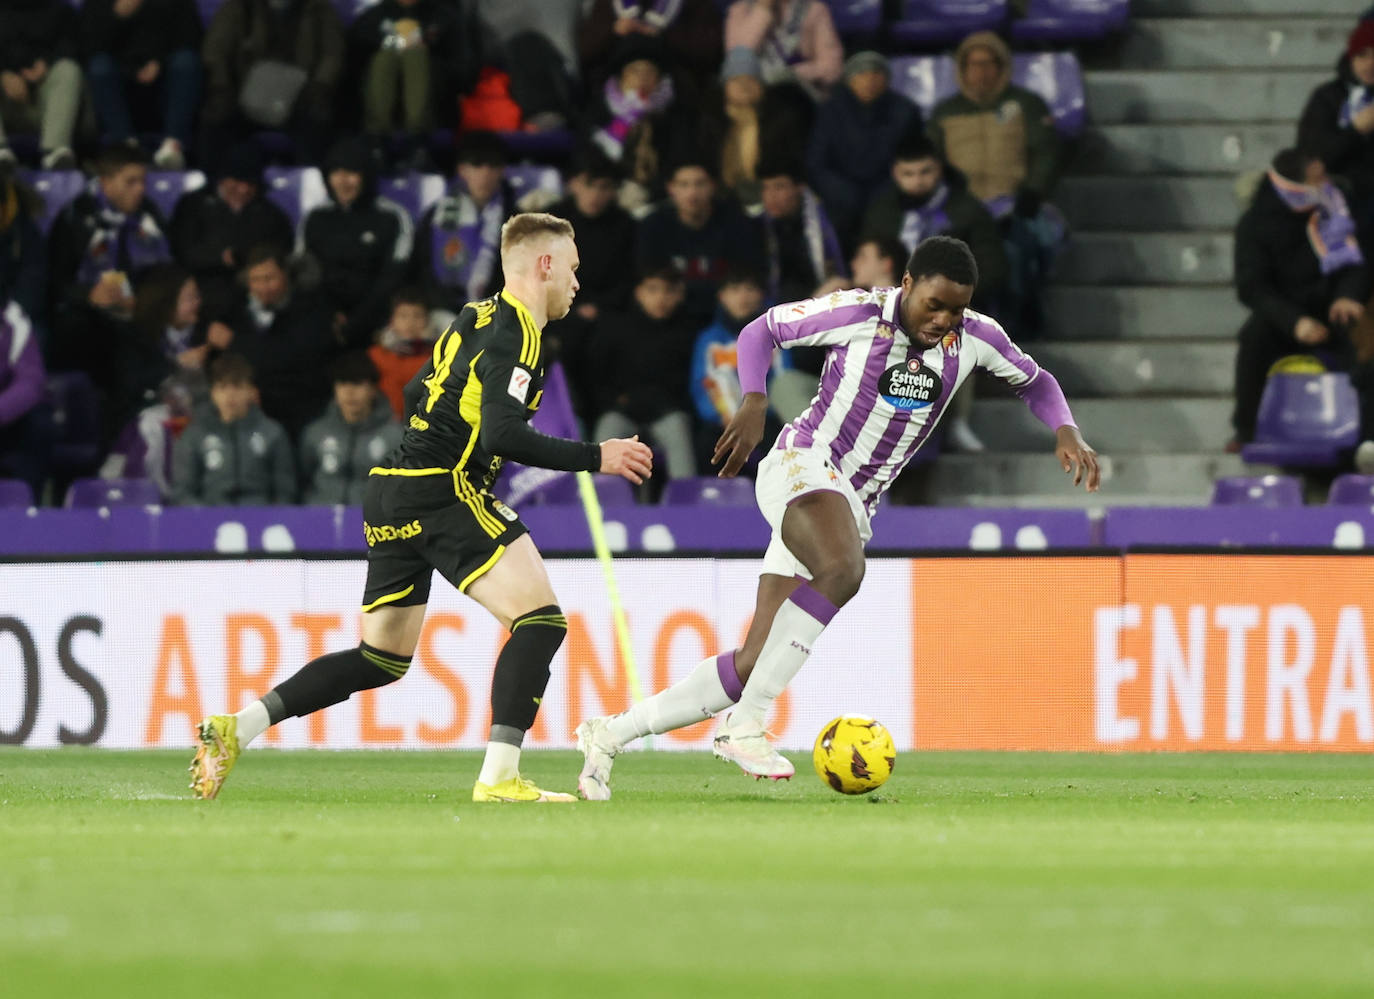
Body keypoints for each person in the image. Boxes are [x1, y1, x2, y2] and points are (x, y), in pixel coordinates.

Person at [574, 236, 1100, 799]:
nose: (944, 319)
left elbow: (1036, 379)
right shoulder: (857, 312)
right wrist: (754, 401)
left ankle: (608, 736)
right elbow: (760, 331)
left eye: (956, 309)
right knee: (845, 569)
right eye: (934, 304)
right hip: (803, 464)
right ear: (907, 285)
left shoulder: (975, 337)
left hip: (853, 501)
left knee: (754, 659)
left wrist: (1065, 428)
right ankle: (745, 724)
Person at [189, 212, 654, 803]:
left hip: (392, 488)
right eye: (573, 269)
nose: (577, 282)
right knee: (539, 622)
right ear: (545, 265)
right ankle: (499, 777)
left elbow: (416, 393)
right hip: (443, 488)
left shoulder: (474, 316)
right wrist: (599, 456)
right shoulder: (520, 334)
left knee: (380, 658)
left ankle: (238, 727)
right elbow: (503, 436)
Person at [1230, 148, 1369, 448]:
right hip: (1285, 316)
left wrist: (1348, 295)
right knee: (1254, 338)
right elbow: (1252, 286)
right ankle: (1247, 430)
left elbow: (1357, 262)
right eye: (1317, 179)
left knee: (1365, 342)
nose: (1326, 184)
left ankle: (1364, 436)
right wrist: (1294, 322)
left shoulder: (1338, 210)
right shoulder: (1255, 224)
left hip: (1334, 309)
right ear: (1295, 186)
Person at [929, 31, 1061, 338]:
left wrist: (1034, 191)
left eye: (989, 63)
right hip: (963, 208)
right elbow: (931, 160)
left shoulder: (1026, 104)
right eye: (974, 64)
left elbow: (1047, 152)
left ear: (1002, 67)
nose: (982, 71)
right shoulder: (945, 112)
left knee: (1020, 250)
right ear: (962, 69)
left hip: (1014, 204)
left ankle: (1020, 318)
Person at [46, 145, 173, 403]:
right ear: (106, 182)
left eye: (142, 181)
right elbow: (53, 279)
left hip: (140, 312)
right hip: (90, 319)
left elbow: (168, 274)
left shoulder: (149, 215)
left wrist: (142, 299)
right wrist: (89, 295)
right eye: (131, 182)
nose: (140, 189)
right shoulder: (75, 217)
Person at [300, 136, 414, 350]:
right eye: (335, 173)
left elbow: (392, 277)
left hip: (376, 325)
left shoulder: (392, 217)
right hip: (324, 323)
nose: (342, 181)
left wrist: (356, 322)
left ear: (366, 176)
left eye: (351, 172)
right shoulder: (315, 218)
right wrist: (330, 317)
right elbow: (305, 274)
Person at [199, 0, 345, 167]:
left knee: (318, 118)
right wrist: (222, 85)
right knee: (217, 117)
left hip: (301, 94)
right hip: (243, 92)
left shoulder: (319, 8)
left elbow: (333, 55)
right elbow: (215, 51)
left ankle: (311, 181)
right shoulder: (239, 6)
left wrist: (319, 86)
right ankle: (214, 182)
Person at [589, 264, 699, 481]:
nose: (661, 298)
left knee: (678, 428)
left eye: (669, 291)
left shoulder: (689, 333)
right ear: (639, 292)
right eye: (652, 289)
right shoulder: (614, 328)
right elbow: (596, 378)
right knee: (607, 428)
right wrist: (617, 401)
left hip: (666, 414)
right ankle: (601, 506)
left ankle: (687, 507)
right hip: (623, 412)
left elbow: (691, 386)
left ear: (680, 294)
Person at [807, 50, 922, 251]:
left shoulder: (904, 111)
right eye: (861, 74)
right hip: (840, 197)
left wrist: (884, 193)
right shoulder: (829, 112)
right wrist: (841, 192)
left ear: (887, 79)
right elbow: (817, 163)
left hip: (889, 194)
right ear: (849, 80)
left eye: (876, 73)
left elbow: (912, 158)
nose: (870, 80)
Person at [169, 142, 294, 324]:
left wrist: (254, 260)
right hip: (204, 291)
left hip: (255, 293)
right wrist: (220, 257)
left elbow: (283, 251)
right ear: (221, 178)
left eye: (250, 183)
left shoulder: (271, 214)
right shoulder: (192, 205)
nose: (244, 189)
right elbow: (181, 250)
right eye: (236, 181)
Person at [349, 0, 483, 168]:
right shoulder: (374, 18)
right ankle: (376, 141)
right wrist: (395, 45)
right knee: (385, 59)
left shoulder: (444, 17)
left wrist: (423, 52)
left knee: (415, 57)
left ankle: (418, 141)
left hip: (434, 107)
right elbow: (354, 65)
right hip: (377, 103)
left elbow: (463, 69)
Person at [226, 243, 338, 441]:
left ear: (285, 275)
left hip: (303, 411)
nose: (262, 287)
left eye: (269, 278)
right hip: (256, 414)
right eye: (255, 280)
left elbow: (291, 358)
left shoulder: (312, 309)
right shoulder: (241, 313)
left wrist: (236, 342)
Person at [637, 158, 766, 325]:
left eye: (699, 184)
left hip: (726, 312)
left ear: (712, 186)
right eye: (684, 185)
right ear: (671, 188)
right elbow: (648, 276)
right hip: (673, 313)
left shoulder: (736, 223)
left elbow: (747, 275)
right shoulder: (653, 225)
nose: (692, 193)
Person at [80, 0, 202, 169]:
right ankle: (126, 149)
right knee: (99, 67)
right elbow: (88, 46)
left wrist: (158, 60)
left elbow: (190, 35)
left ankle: (173, 147)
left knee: (186, 62)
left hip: (165, 86)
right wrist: (116, 17)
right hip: (120, 90)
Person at [411, 132, 516, 319]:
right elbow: (421, 268)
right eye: (477, 165)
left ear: (502, 171)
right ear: (462, 170)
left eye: (493, 166)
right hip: (439, 312)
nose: (485, 173)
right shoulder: (436, 215)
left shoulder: (518, 219)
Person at [171, 351, 296, 505]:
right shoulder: (194, 435)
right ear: (213, 393)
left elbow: (285, 491)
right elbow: (182, 491)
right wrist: (202, 519)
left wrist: (272, 520)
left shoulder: (273, 433)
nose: (230, 395)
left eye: (237, 387)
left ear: (250, 391)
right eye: (222, 387)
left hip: (261, 520)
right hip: (209, 521)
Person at [1297, 19, 1374, 242]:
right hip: (1340, 198)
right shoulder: (1328, 98)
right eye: (1362, 55)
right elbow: (1312, 158)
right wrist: (1356, 131)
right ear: (1351, 58)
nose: (1370, 64)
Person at [298, 351, 404, 505]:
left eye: (357, 384)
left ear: (373, 390)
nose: (349, 392)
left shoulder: (395, 437)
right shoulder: (315, 433)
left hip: (373, 524)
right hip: (321, 521)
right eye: (342, 384)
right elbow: (303, 482)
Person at [0, 0, 82, 169]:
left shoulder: (61, 11)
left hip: (47, 106)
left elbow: (74, 46)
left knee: (68, 69)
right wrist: (4, 74)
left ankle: (53, 151)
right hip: (7, 106)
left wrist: (47, 63)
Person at [722, 0, 842, 100]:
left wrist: (793, 74)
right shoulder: (740, 10)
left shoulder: (813, 9)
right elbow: (738, 59)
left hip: (799, 98)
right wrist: (762, 9)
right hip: (755, 96)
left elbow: (832, 68)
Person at [0, 297, 52, 500]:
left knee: (39, 422)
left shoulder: (11, 317)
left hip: (6, 418)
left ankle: (25, 509)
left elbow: (31, 381)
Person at [368, 286, 437, 417]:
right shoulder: (376, 355)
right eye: (403, 316)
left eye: (418, 316)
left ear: (428, 320)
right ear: (392, 321)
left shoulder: (440, 357)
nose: (410, 322)